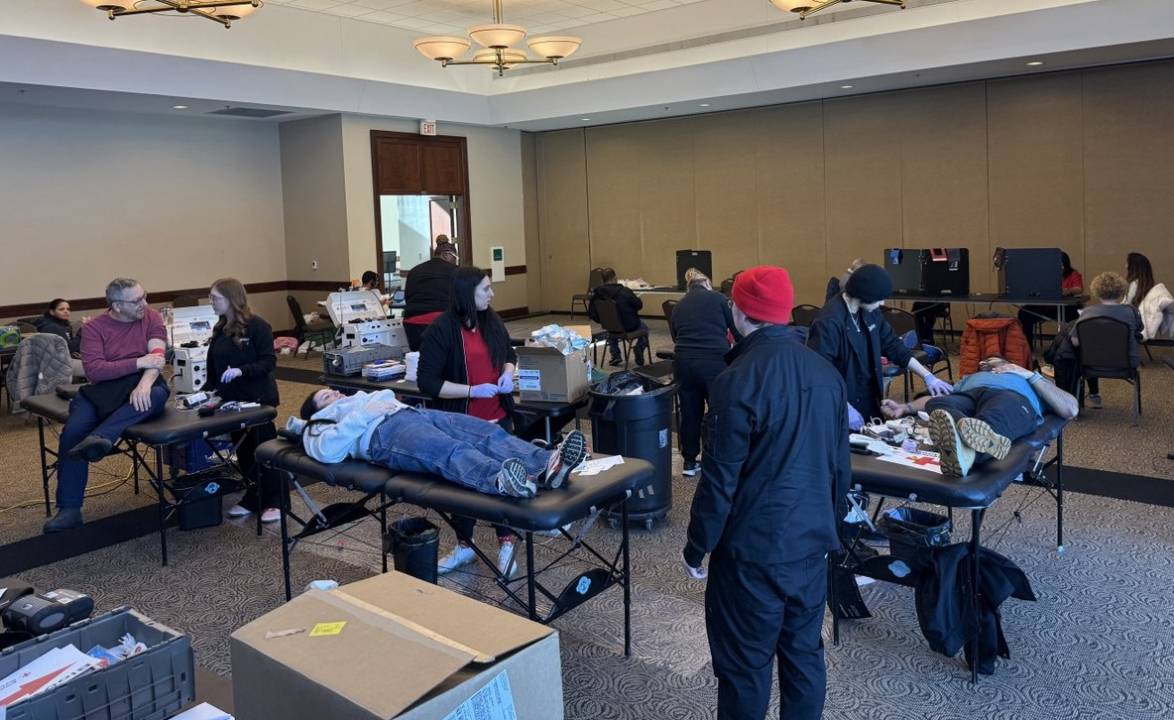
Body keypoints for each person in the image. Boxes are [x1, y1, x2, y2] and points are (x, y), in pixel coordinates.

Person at [682, 265, 849, 720]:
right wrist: (832, 529)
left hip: (750, 554)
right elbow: (840, 469)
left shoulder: (735, 380)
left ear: (737, 312)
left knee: (745, 667)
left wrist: (697, 546)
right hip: (811, 545)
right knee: (804, 654)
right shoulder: (827, 374)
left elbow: (720, 480)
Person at [417, 266, 524, 577]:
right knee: (464, 487)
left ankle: (506, 543)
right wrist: (471, 390)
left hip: (498, 418)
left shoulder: (492, 319)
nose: (492, 294)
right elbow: (428, 382)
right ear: (467, 293)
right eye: (485, 289)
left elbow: (509, 354)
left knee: (502, 482)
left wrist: (507, 373)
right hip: (461, 423)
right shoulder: (442, 329)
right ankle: (465, 545)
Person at [44, 278, 170, 533]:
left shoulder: (151, 317)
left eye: (144, 296)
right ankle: (69, 510)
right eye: (136, 300)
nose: (144, 303)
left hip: (141, 384)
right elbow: (96, 371)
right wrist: (138, 362)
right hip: (103, 390)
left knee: (156, 395)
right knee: (72, 434)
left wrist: (145, 383)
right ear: (117, 305)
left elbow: (157, 356)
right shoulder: (94, 328)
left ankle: (102, 436)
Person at [298, 389, 587, 498]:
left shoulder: (356, 400)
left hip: (414, 413)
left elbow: (385, 397)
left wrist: (370, 405)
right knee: (449, 450)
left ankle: (547, 465)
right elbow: (327, 452)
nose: (335, 394)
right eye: (326, 396)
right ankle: (502, 481)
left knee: (485, 432)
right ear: (318, 411)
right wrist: (364, 415)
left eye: (332, 391)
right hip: (383, 433)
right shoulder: (320, 424)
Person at [808, 263, 953, 431]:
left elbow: (893, 345)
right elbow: (820, 373)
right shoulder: (828, 322)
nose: (882, 302)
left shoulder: (870, 310)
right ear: (862, 295)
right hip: (840, 403)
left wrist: (928, 376)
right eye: (879, 299)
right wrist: (844, 406)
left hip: (869, 396)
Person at [882, 356, 1078, 478]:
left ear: (1008, 363)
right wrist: (904, 407)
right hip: (969, 398)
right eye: (983, 362)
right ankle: (971, 436)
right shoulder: (968, 379)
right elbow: (933, 399)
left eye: (991, 360)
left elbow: (1071, 409)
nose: (983, 363)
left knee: (999, 410)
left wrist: (1028, 374)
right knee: (939, 404)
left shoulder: (1027, 377)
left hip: (1012, 397)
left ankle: (974, 446)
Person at [202, 278, 282, 523]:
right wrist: (206, 392)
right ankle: (253, 496)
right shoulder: (221, 328)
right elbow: (214, 368)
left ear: (231, 299)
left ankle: (276, 500)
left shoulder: (258, 326)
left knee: (263, 450)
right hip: (232, 401)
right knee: (244, 453)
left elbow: (268, 362)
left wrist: (242, 371)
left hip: (258, 401)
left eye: (215, 298)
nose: (211, 302)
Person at [670, 269, 740, 477]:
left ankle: (689, 461)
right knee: (718, 409)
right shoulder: (719, 300)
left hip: (684, 363)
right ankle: (716, 457)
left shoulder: (679, 305)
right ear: (707, 284)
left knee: (690, 412)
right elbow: (735, 329)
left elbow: (675, 335)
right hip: (714, 361)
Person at [1069, 271, 1144, 409]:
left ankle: (1091, 396)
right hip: (1126, 364)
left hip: (1091, 364)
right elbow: (1139, 331)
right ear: (1121, 290)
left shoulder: (1087, 313)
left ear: (1096, 291)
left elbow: (1075, 342)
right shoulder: (1130, 311)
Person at [1018, 251, 1083, 349]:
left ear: (1065, 264)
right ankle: (1027, 346)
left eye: (1061, 265)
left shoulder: (1073, 274)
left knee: (1075, 315)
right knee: (1024, 312)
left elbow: (1079, 289)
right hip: (1047, 306)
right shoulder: (1046, 273)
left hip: (1066, 307)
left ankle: (1068, 347)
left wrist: (1068, 290)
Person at [403, 237, 459, 351]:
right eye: (455, 258)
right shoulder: (455, 271)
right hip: (444, 322)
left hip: (412, 324)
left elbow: (408, 298)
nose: (456, 261)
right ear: (446, 255)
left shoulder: (414, 271)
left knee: (421, 356)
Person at [587, 267, 648, 367]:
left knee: (612, 327)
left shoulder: (596, 295)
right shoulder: (625, 291)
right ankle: (639, 348)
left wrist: (603, 320)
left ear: (603, 280)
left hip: (610, 327)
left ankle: (615, 355)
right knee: (644, 328)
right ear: (615, 278)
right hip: (629, 326)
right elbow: (639, 305)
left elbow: (592, 313)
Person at [33, 298, 84, 378]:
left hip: (64, 359)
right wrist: (82, 331)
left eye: (68, 309)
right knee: (94, 368)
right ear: (52, 312)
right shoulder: (52, 327)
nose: (66, 311)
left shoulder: (62, 325)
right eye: (61, 309)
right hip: (57, 363)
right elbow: (69, 348)